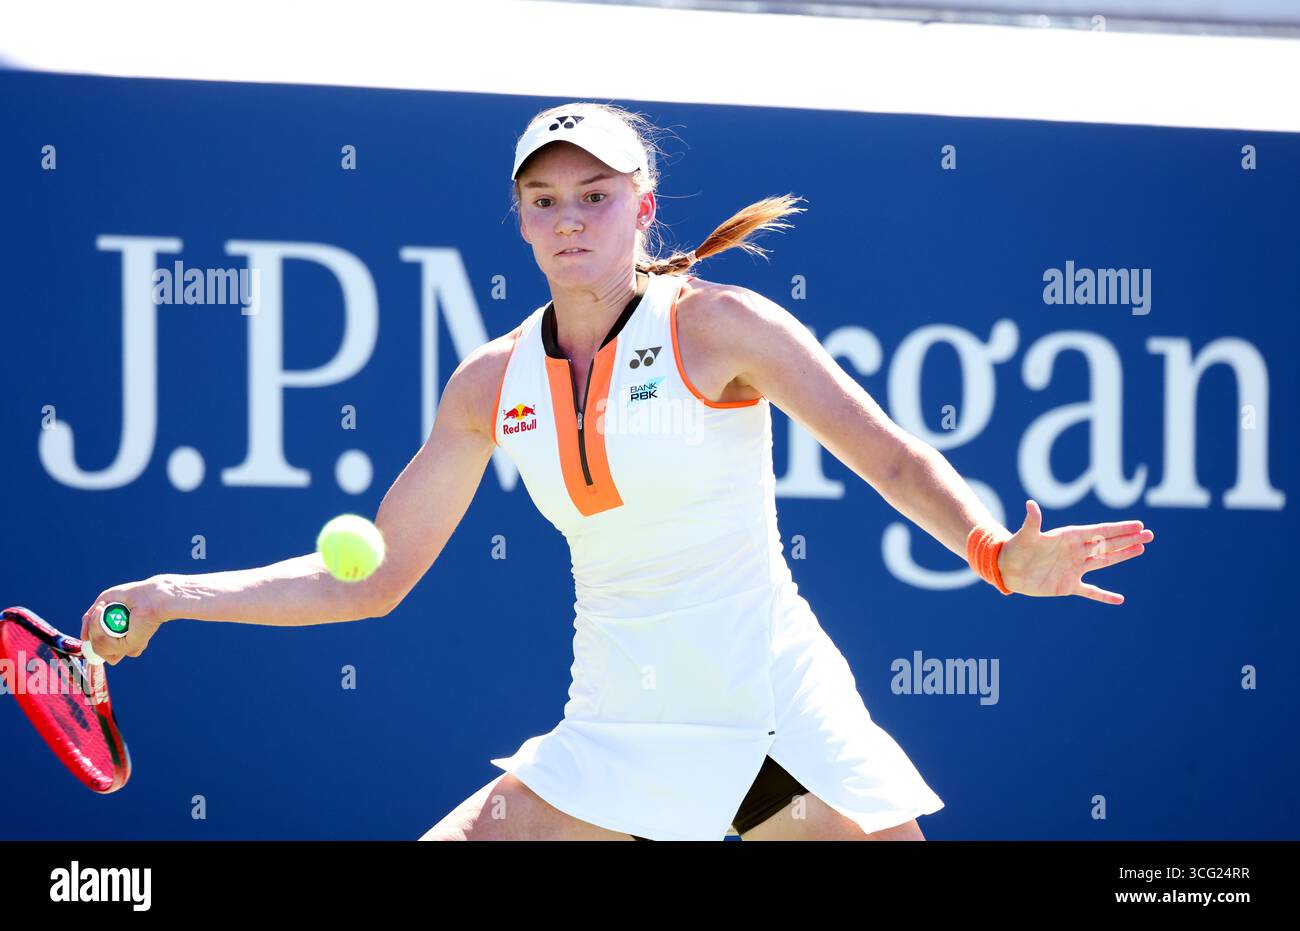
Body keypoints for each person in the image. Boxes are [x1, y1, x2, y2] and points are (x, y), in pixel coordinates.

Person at [80, 102, 1156, 841]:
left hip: (772, 716)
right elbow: (371, 578)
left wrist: (992, 551)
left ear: (644, 207)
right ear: (519, 220)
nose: (567, 219)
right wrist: (171, 597)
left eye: (594, 196)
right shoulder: (486, 383)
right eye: (543, 200)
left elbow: (886, 452)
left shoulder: (721, 326)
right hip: (614, 727)